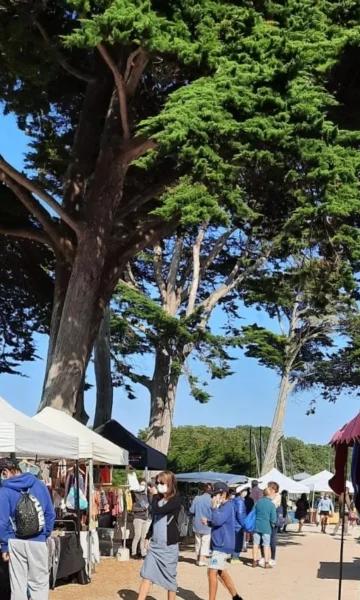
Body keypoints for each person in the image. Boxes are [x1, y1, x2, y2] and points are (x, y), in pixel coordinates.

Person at [0, 457, 55, 600]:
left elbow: (2, 522)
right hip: (38, 541)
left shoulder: (4, 491)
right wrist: (44, 533)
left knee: (18, 585)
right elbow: (50, 514)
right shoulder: (39, 485)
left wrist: (5, 545)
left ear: (5, 472)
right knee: (39, 585)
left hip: (15, 542)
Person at [138, 471, 181, 600]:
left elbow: (158, 510)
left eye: (161, 483)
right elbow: (155, 518)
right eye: (157, 483)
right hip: (155, 545)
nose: (158, 485)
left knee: (170, 579)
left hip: (169, 546)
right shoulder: (158, 499)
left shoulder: (176, 499)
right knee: (147, 575)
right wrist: (147, 536)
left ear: (170, 483)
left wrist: (155, 496)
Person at [202, 482, 243, 600]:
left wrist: (214, 509)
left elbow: (219, 520)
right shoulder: (223, 506)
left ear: (224, 494)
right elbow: (218, 522)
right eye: (213, 495)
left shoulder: (228, 506)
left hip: (222, 544)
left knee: (211, 572)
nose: (213, 497)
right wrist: (209, 522)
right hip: (219, 543)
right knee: (220, 572)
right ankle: (236, 596)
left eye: (216, 494)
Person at [252, 486, 277, 569]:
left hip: (256, 526)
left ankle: (254, 561)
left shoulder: (258, 502)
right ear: (270, 494)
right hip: (266, 527)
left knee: (256, 544)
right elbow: (273, 518)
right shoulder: (271, 505)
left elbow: (253, 513)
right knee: (266, 545)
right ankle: (266, 562)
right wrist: (273, 524)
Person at [189, 483, 212, 566]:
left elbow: (191, 510)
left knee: (198, 541)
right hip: (207, 523)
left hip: (197, 523)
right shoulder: (211, 500)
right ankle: (202, 560)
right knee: (205, 542)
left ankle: (198, 558)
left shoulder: (196, 498)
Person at [260, 481, 280, 568]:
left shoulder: (278, 496)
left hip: (272, 521)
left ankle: (272, 558)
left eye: (269, 487)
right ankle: (263, 557)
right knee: (262, 540)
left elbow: (272, 506)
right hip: (264, 520)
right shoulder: (266, 496)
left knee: (272, 539)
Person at [131, 480, 150, 559]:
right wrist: (142, 509)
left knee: (143, 537)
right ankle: (134, 552)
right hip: (138, 518)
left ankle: (143, 553)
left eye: (144, 485)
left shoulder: (145, 495)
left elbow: (147, 505)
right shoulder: (135, 494)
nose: (142, 486)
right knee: (137, 536)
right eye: (141, 484)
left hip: (145, 518)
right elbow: (133, 508)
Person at [231, 486, 246, 563]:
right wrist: (244, 524)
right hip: (238, 525)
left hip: (233, 523)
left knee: (234, 540)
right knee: (238, 541)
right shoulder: (240, 501)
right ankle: (235, 557)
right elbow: (240, 514)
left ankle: (233, 556)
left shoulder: (233, 500)